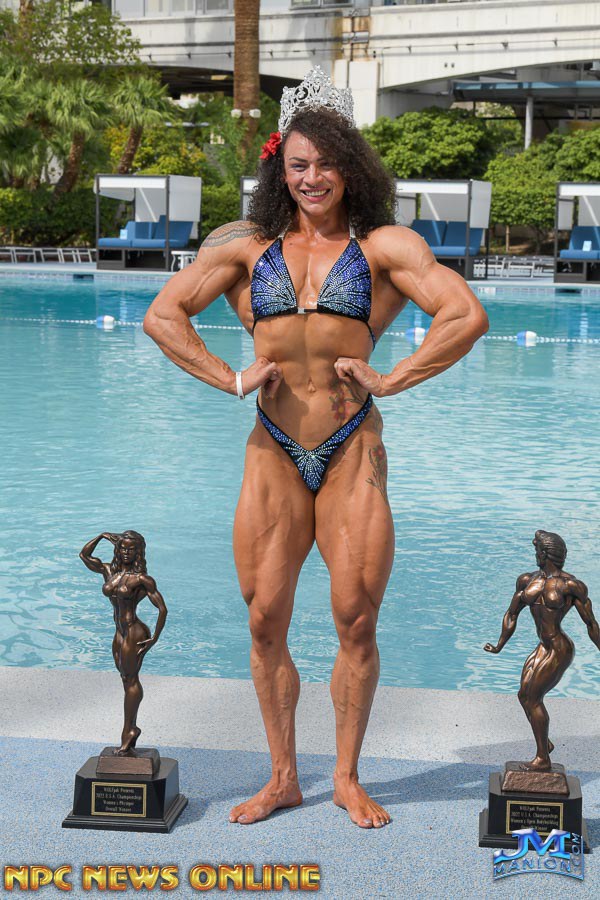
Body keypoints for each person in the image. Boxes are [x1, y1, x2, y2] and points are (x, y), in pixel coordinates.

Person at [144, 67, 488, 828]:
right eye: (298, 165)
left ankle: (346, 778)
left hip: (350, 445)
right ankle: (282, 778)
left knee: (355, 617)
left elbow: (465, 315)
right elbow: (164, 316)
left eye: (326, 164)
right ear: (281, 168)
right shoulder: (246, 248)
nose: (312, 178)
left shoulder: (384, 248)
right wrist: (231, 378)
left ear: (351, 168)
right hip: (272, 448)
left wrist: (392, 379)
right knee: (265, 618)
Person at [484, 530, 600, 772]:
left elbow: (590, 623)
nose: (535, 554)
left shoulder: (571, 585)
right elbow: (511, 614)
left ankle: (542, 758)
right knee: (523, 696)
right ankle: (544, 741)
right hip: (543, 646)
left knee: (534, 698)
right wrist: (499, 645)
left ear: (546, 553)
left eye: (537, 550)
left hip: (559, 648)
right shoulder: (527, 580)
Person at [79, 530, 168, 754]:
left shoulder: (142, 580)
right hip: (119, 632)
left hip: (135, 631)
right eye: (123, 547)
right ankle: (130, 728)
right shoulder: (109, 571)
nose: (126, 552)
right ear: (117, 548)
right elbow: (84, 555)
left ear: (138, 552)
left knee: (130, 678)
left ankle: (129, 730)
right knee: (125, 678)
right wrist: (101, 536)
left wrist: (154, 638)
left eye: (131, 549)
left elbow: (162, 609)